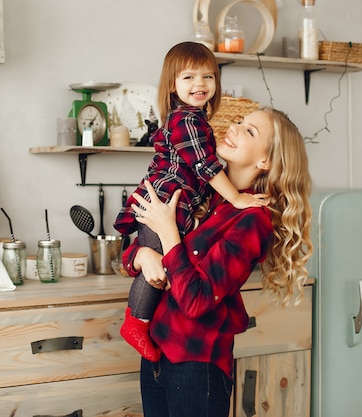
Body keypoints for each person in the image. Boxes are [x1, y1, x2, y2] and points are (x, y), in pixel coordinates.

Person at [123, 107, 313, 417]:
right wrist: (142, 256)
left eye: (250, 131)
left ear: (265, 161)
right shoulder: (201, 193)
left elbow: (196, 300)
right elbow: (136, 251)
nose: (235, 128)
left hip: (198, 368)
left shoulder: (253, 221)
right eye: (240, 121)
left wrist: (169, 232)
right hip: (156, 355)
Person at [114, 41, 267, 362]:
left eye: (208, 77)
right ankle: (136, 322)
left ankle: (137, 322)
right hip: (164, 201)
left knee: (155, 259)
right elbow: (204, 165)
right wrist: (237, 197)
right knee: (153, 261)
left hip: (195, 353)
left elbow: (195, 289)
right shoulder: (187, 121)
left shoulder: (193, 121)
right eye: (189, 78)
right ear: (172, 84)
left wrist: (145, 254)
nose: (200, 84)